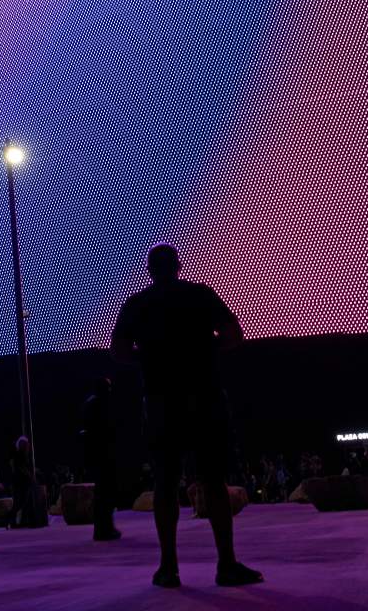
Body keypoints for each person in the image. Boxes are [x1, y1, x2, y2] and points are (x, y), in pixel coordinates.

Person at [111, 243, 262, 589]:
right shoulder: (200, 295)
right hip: (204, 396)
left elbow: (119, 351)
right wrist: (205, 349)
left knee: (165, 483)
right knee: (213, 481)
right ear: (179, 266)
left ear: (149, 270)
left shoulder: (137, 305)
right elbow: (234, 335)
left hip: (162, 401)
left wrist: (149, 359)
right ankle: (226, 564)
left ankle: (168, 568)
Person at [83, 377, 122, 541]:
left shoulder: (90, 404)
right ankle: (105, 529)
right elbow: (107, 428)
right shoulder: (100, 404)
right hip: (104, 454)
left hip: (97, 454)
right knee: (106, 494)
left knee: (102, 494)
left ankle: (103, 528)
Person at [6, 436, 34, 529]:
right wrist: (28, 474)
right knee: (20, 502)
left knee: (20, 502)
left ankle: (15, 521)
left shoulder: (20, 454)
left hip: (20, 480)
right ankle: (12, 520)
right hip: (20, 480)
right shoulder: (19, 454)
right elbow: (17, 467)